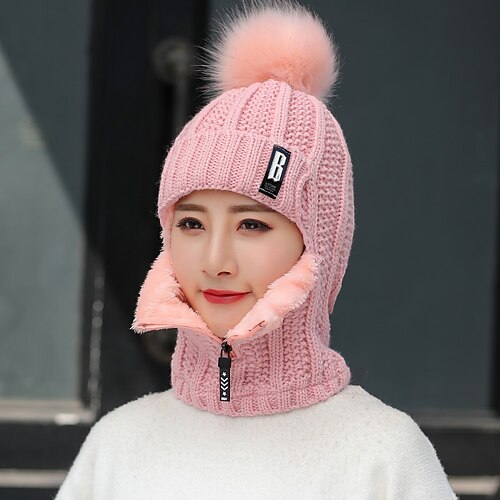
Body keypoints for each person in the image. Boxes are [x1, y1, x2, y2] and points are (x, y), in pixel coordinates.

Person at [56, 2, 457, 499]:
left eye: (251, 224)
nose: (215, 261)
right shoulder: (118, 446)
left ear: (320, 243)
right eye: (191, 223)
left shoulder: (382, 457)